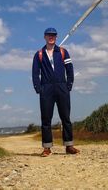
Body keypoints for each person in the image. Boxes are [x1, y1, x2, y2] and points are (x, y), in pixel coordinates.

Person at [32, 27, 80, 157]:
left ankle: (69, 145)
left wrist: (68, 85)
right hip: (46, 89)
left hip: (62, 87)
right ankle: (47, 148)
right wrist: (39, 89)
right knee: (46, 119)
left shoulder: (63, 52)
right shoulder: (39, 54)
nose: (51, 37)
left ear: (56, 37)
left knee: (66, 117)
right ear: (44, 37)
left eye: (53, 35)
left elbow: (70, 69)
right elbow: (35, 73)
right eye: (48, 35)